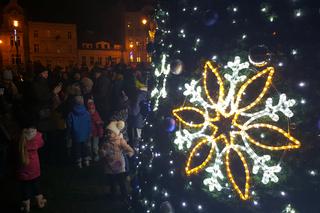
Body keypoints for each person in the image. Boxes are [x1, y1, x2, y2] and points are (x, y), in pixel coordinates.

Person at [100, 121, 134, 206]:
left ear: (115, 133)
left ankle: (124, 195)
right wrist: (102, 152)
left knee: (121, 182)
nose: (108, 134)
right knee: (112, 182)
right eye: (107, 132)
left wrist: (130, 152)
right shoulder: (106, 142)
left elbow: (127, 147)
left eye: (110, 132)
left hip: (119, 166)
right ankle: (113, 195)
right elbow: (103, 151)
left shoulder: (120, 141)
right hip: (109, 166)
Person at [17, 121, 47, 213]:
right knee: (36, 184)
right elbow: (42, 143)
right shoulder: (36, 139)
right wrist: (36, 133)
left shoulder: (20, 139)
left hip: (23, 167)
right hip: (34, 167)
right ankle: (39, 202)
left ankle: (26, 205)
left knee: (25, 187)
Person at [67, 96, 91, 168]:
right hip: (85, 134)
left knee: (77, 148)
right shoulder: (87, 113)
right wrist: (89, 132)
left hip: (75, 134)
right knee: (85, 147)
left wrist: (69, 133)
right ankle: (86, 161)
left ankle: (79, 162)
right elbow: (89, 123)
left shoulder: (71, 114)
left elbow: (69, 124)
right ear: (83, 102)